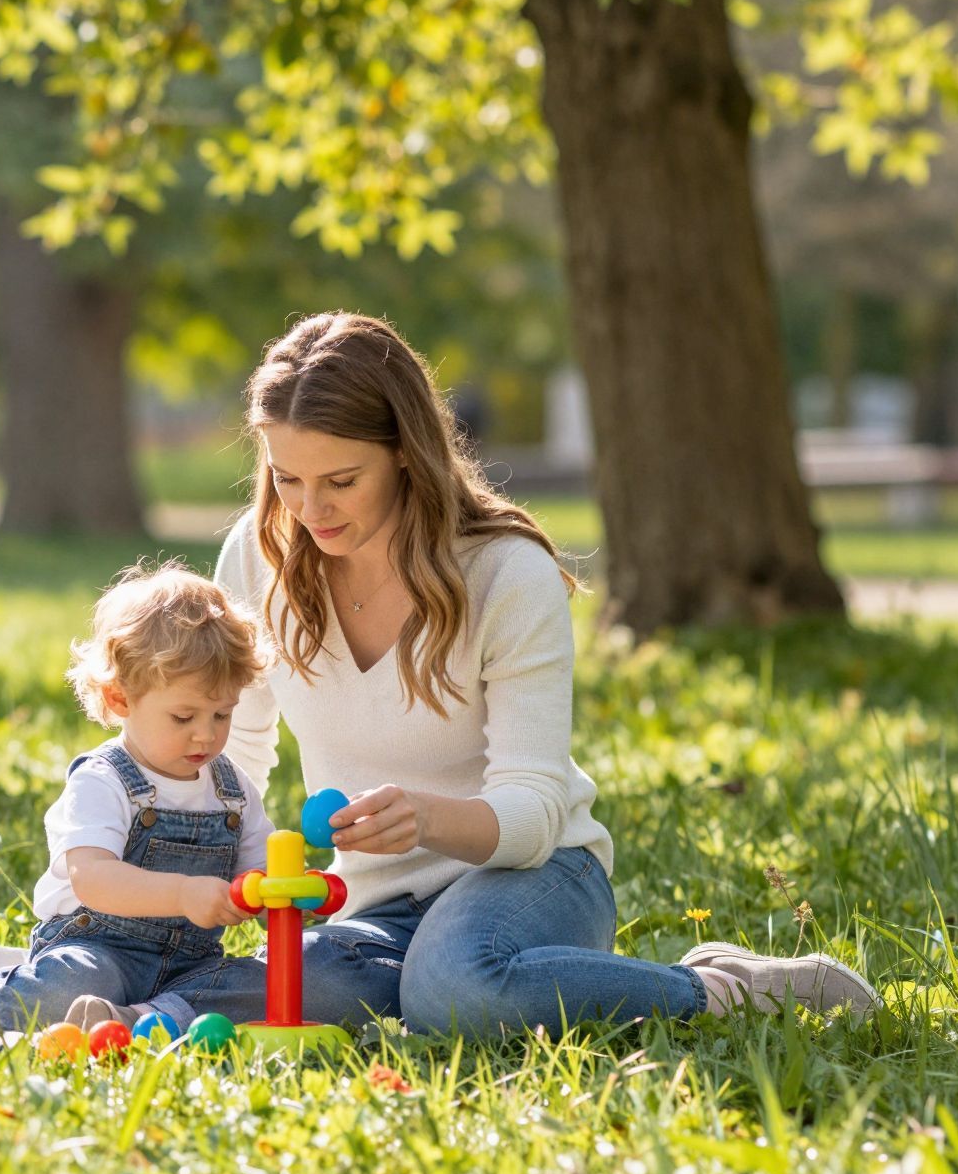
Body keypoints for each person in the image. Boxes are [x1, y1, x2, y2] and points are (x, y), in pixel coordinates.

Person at [88, 312, 879, 1038]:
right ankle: (89, 1016)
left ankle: (723, 989)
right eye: (288, 478)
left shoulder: (505, 574)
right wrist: (198, 886)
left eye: (341, 481)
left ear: (405, 453)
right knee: (272, 992)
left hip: (533, 878)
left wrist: (426, 819)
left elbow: (534, 811)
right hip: (372, 904)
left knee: (458, 989)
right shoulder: (258, 558)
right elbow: (239, 757)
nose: (309, 510)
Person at [0, 562, 275, 1035]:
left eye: (222, 714)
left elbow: (258, 869)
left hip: (190, 965)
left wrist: (271, 895)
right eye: (183, 716)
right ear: (120, 699)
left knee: (267, 982)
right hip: (101, 953)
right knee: (73, 984)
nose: (206, 735)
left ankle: (140, 1019)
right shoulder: (104, 781)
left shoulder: (232, 792)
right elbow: (92, 878)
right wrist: (184, 894)